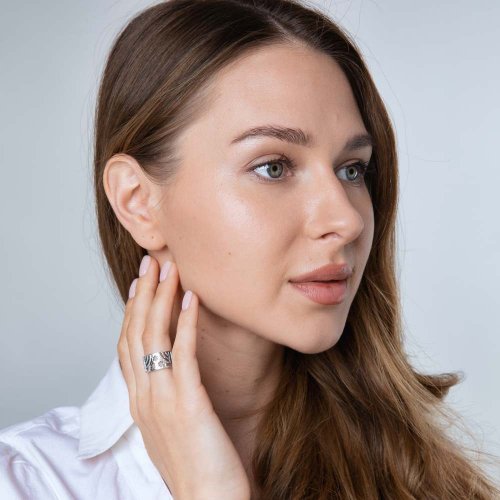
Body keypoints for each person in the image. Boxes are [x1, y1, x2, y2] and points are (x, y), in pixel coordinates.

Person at [1, 0, 499, 498]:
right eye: (273, 167)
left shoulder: (423, 478)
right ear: (138, 203)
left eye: (352, 169)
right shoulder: (29, 482)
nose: (345, 220)